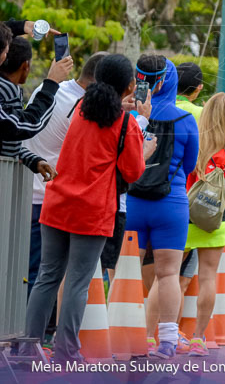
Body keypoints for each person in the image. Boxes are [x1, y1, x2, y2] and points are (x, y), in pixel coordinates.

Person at [24, 54, 151, 364]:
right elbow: (133, 172)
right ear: (130, 86)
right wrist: (143, 134)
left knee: (47, 277)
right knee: (77, 283)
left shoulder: (80, 108)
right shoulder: (125, 125)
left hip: (56, 203)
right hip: (92, 211)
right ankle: (66, 351)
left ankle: (28, 347)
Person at [126, 55, 199, 358]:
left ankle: (124, 336)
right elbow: (192, 164)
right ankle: (167, 341)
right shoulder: (186, 120)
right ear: (169, 79)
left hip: (132, 201)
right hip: (171, 204)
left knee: (126, 271)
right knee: (169, 275)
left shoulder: (130, 117)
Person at [22, 52, 108, 296]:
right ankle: (38, 331)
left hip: (29, 189)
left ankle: (32, 327)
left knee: (32, 269)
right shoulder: (82, 109)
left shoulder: (51, 87)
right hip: (49, 197)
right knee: (45, 273)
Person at [182, 92, 225, 356]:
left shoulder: (193, 141)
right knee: (208, 278)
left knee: (172, 278)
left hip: (185, 215)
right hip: (215, 220)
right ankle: (199, 338)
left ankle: (161, 335)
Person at [0, 35, 72, 178]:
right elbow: (26, 124)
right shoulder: (4, 91)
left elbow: (6, 139)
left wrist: (33, 160)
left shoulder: (9, 91)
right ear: (25, 66)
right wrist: (52, 83)